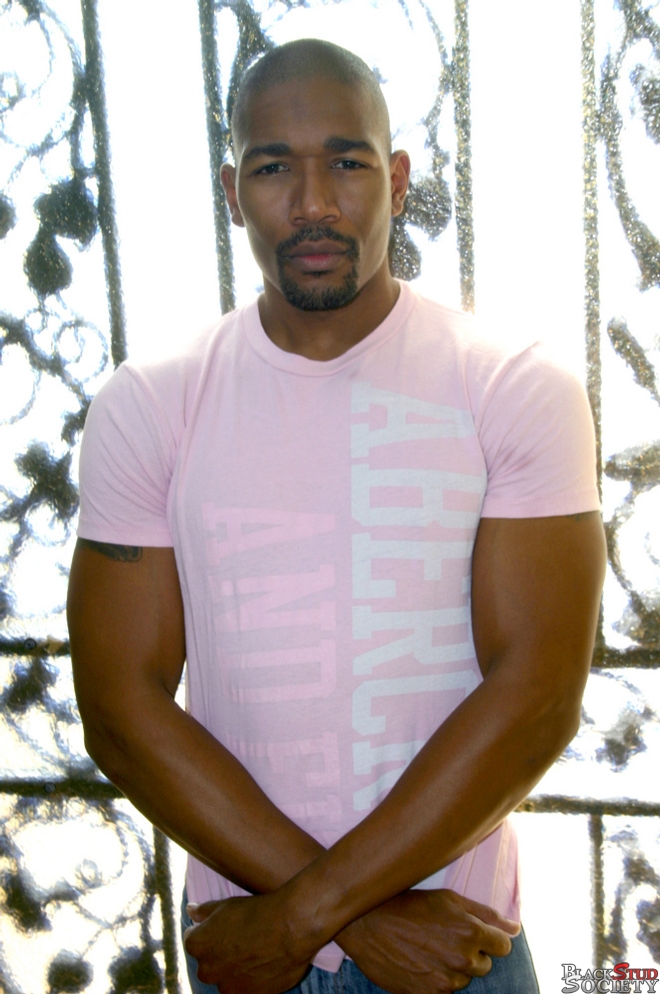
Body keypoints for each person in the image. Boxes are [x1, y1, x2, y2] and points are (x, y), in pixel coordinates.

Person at [67, 38, 606, 994]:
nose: (313, 202)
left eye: (347, 163)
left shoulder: (516, 388)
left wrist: (304, 916)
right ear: (234, 192)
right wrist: (355, 919)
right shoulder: (149, 405)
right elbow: (119, 704)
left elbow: (537, 698)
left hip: (451, 950)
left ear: (395, 180)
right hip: (252, 952)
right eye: (275, 167)